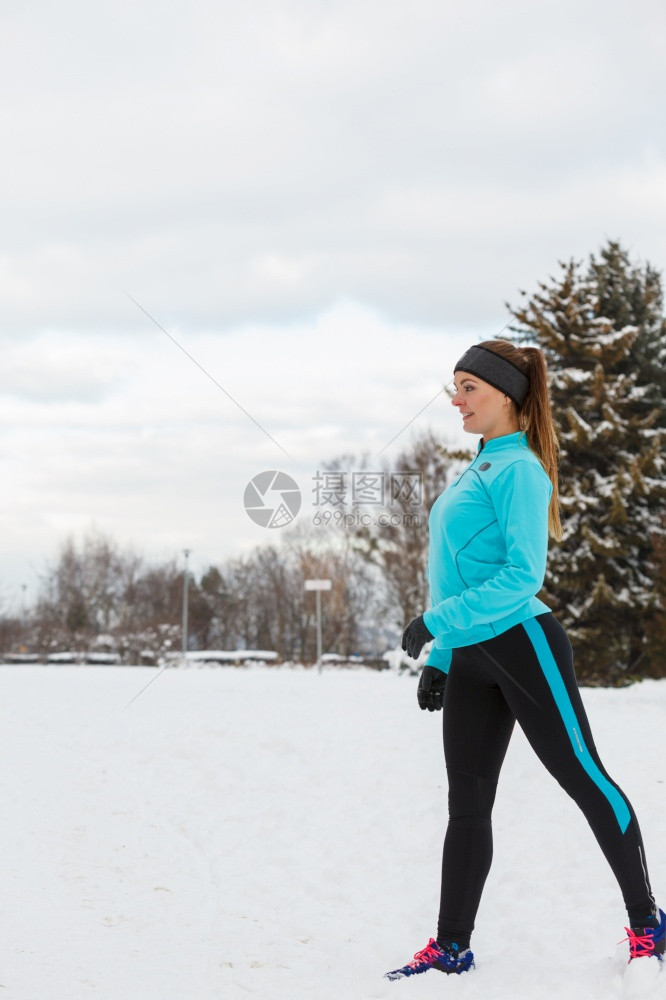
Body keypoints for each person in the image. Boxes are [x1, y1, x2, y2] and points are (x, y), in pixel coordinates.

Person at [385, 339, 664, 980]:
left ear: (505, 396)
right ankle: (451, 944)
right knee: (467, 804)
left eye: (467, 387)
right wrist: (446, 656)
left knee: (584, 778)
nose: (455, 399)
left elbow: (521, 576)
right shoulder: (478, 468)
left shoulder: (520, 471)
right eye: (453, 387)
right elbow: (456, 574)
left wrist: (435, 624)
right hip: (474, 657)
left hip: (523, 643)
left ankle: (650, 925)